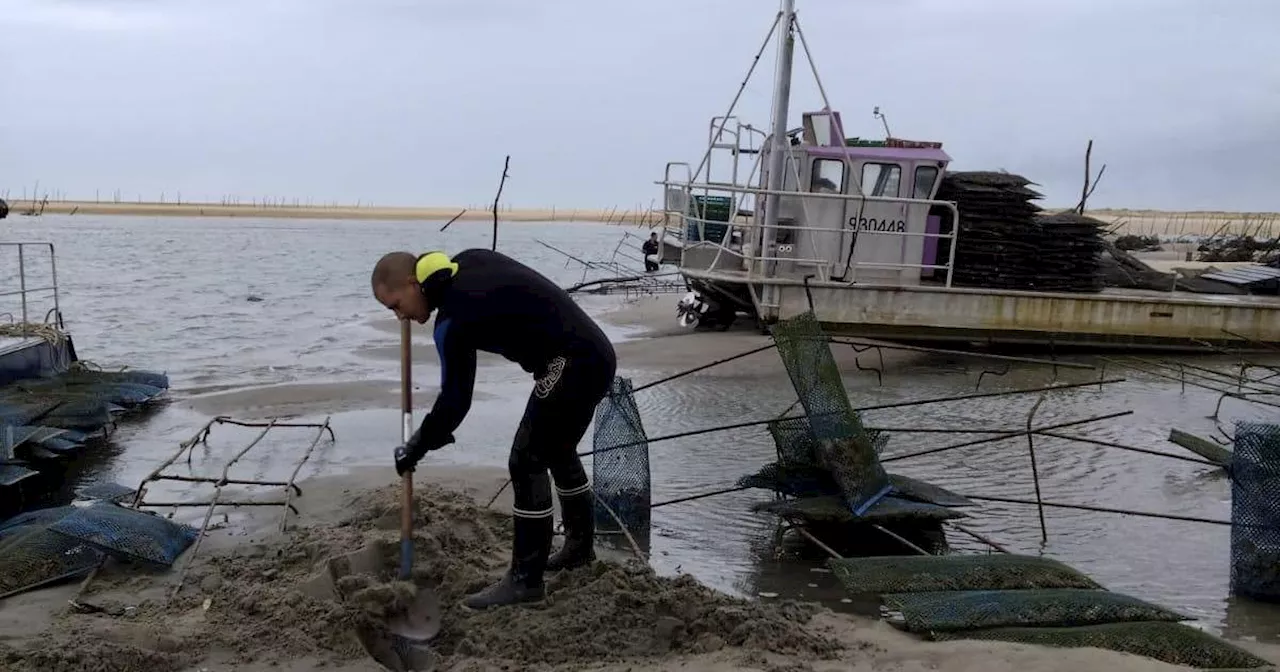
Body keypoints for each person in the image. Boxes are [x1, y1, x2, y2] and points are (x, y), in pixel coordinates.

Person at [370, 248, 617, 610]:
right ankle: (579, 551)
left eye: (396, 305)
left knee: (527, 459)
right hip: (597, 353)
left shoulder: (452, 321)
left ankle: (525, 582)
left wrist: (416, 447)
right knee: (557, 449)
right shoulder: (469, 261)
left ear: (413, 283)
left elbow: (455, 403)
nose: (400, 317)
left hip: (572, 362)